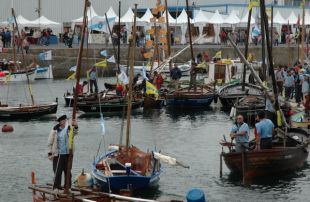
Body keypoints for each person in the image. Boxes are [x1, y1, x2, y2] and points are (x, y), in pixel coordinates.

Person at [47, 115, 78, 191]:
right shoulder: (54, 130)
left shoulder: (69, 129)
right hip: (58, 154)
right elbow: (50, 143)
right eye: (63, 120)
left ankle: (68, 187)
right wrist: (50, 154)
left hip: (68, 154)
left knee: (68, 172)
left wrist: (76, 126)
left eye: (65, 120)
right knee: (57, 172)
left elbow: (75, 133)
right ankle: (56, 187)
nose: (65, 122)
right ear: (60, 122)